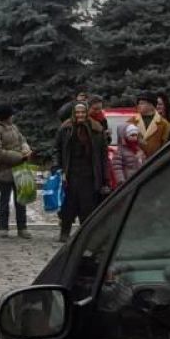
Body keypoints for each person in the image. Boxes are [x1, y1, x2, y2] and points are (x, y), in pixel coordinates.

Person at [55, 102, 108, 242]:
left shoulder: (96, 129)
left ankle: (85, 235)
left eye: (83, 112)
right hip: (70, 172)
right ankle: (64, 233)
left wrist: (105, 178)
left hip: (90, 173)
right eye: (77, 112)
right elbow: (57, 150)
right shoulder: (66, 128)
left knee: (87, 206)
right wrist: (58, 168)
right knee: (68, 205)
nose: (80, 115)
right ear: (73, 113)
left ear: (87, 113)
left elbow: (103, 155)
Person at [0, 103, 33, 239]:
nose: (13, 117)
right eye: (11, 115)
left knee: (21, 200)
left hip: (19, 169)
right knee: (4, 200)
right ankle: (3, 228)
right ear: (5, 116)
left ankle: (22, 227)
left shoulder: (13, 127)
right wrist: (19, 157)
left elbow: (22, 139)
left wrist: (25, 148)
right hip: (4, 170)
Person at [127, 92, 170, 158]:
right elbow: (125, 142)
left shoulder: (163, 124)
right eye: (138, 103)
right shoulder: (132, 121)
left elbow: (166, 144)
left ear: (151, 105)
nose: (139, 105)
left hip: (155, 159)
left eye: (142, 103)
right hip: (135, 159)